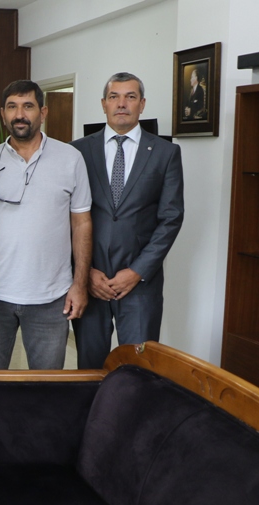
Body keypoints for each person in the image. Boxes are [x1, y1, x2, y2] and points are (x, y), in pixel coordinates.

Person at [0, 79, 92, 371]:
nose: (19, 114)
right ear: (3, 114)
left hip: (51, 298)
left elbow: (82, 225)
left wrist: (79, 285)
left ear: (43, 112)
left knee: (47, 387)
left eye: (28, 106)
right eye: (12, 107)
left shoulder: (71, 159)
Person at [71, 72, 184, 369]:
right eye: (114, 97)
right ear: (104, 104)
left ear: (142, 104)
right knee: (89, 368)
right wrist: (85, 272)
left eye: (130, 97)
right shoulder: (78, 151)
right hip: (90, 280)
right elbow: (66, 217)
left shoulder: (165, 153)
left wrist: (136, 272)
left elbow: (171, 218)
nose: (122, 104)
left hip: (140, 284)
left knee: (138, 369)